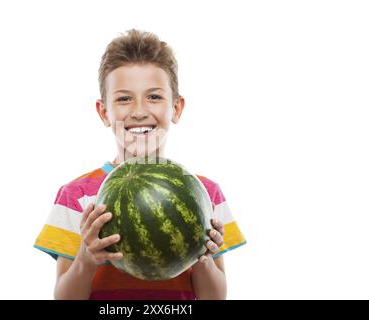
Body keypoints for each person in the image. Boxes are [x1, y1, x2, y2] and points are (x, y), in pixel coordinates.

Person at [34, 28, 246, 300]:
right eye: (124, 99)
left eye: (154, 97)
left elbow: (214, 297)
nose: (139, 111)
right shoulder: (76, 195)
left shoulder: (205, 193)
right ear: (104, 111)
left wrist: (203, 256)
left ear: (177, 108)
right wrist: (86, 258)